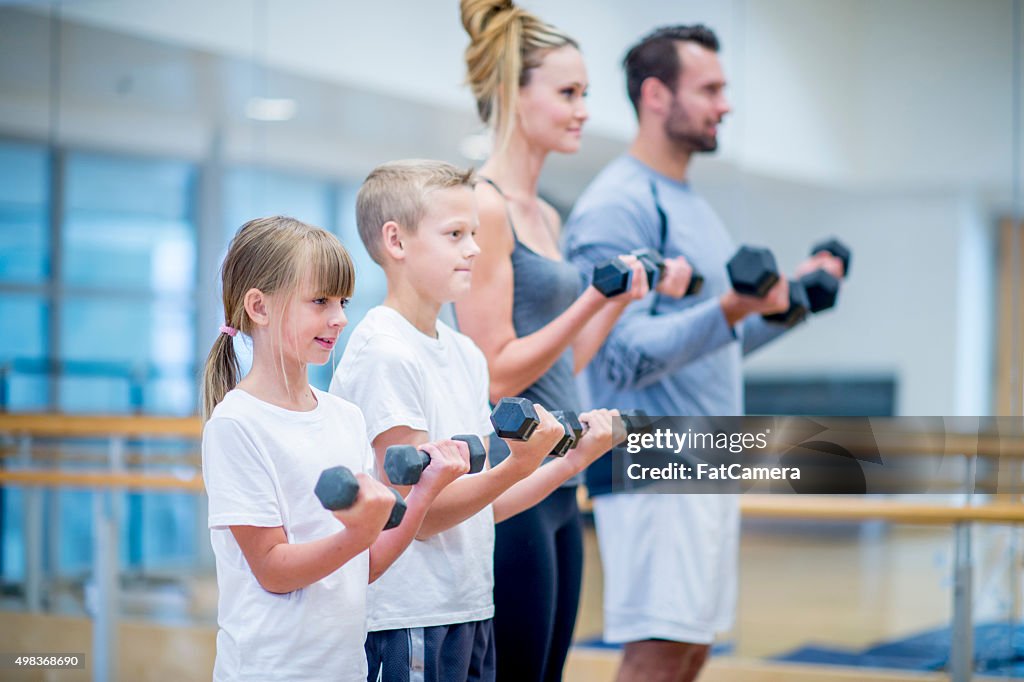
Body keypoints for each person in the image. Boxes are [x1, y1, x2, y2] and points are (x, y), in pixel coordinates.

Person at [562, 25, 847, 682]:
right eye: (711, 89)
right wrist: (730, 308)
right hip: (654, 460)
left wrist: (794, 301)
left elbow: (712, 345)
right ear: (657, 95)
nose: (726, 104)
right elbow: (617, 359)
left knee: (688, 652)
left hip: (705, 459)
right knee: (659, 655)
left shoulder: (690, 204)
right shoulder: (620, 206)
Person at [454, 2, 691, 680]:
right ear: (512, 94)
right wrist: (592, 296)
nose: (584, 109)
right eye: (568, 93)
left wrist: (616, 305)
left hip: (562, 478)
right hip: (514, 478)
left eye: (584, 92)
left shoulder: (546, 214)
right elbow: (497, 373)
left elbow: (562, 361)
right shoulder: (486, 206)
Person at [330, 159, 619, 682]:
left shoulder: (466, 354)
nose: (474, 249)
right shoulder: (384, 351)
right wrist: (519, 464)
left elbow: (487, 504)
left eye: (475, 234)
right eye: (455, 234)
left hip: (469, 609)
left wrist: (570, 461)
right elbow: (424, 517)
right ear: (396, 241)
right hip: (407, 619)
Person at [200, 216, 468, 681]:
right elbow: (273, 569)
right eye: (320, 301)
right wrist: (356, 535)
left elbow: (364, 567)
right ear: (259, 307)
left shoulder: (346, 418)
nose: (340, 317)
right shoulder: (235, 424)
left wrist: (424, 493)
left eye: (342, 301)